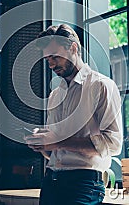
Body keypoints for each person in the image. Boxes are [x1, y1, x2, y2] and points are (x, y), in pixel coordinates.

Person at [25, 24, 123, 205]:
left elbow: (113, 144)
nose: (51, 64)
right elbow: (55, 148)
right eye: (47, 59)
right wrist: (43, 144)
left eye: (55, 56)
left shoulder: (101, 86)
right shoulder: (56, 94)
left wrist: (57, 142)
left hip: (83, 184)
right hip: (50, 181)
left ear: (73, 48)